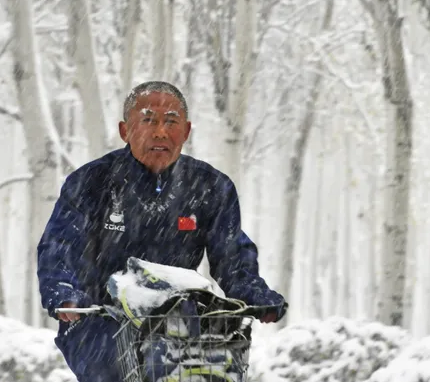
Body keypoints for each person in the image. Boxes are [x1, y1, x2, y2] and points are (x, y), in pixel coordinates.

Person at [36, 81, 287, 382]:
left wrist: (254, 294)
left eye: (171, 121)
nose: (160, 132)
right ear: (124, 130)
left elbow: (233, 258)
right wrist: (63, 294)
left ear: (186, 131)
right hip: (99, 322)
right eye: (148, 120)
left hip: (178, 323)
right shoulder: (90, 182)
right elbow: (59, 247)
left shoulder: (211, 187)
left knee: (211, 368)